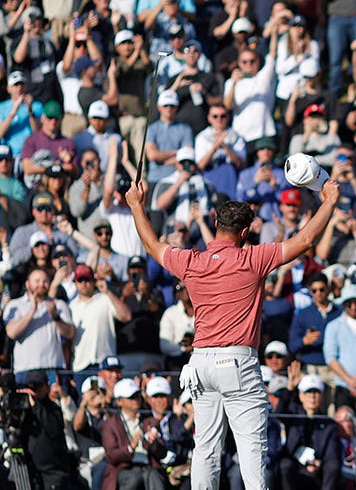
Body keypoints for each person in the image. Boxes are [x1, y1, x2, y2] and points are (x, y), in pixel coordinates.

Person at [126, 174, 340, 490]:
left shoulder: (192, 260)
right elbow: (305, 241)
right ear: (243, 232)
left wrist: (136, 206)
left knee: (206, 448)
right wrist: (329, 201)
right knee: (252, 449)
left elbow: (152, 244)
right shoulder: (252, 257)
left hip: (199, 363)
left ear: (215, 222)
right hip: (236, 361)